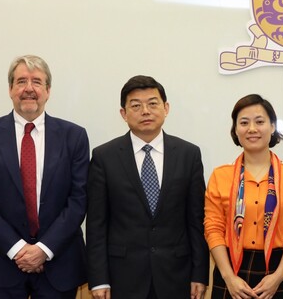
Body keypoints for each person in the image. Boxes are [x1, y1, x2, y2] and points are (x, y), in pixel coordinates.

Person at [0, 55, 89, 298]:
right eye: (21, 81)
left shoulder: (74, 136)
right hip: (0, 260)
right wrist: (18, 249)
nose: (29, 89)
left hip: (59, 261)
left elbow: (79, 199)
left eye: (37, 82)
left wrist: (44, 249)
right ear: (10, 89)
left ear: (48, 90)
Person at [86, 75, 209, 299]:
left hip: (177, 276)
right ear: (123, 113)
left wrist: (199, 274)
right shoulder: (104, 157)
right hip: (122, 277)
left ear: (166, 108)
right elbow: (96, 224)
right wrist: (98, 279)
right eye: (136, 105)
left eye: (153, 103)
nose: (145, 111)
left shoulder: (189, 154)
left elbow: (196, 220)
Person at [204, 94, 283, 299]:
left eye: (259, 122)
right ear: (235, 130)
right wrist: (228, 276)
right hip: (230, 271)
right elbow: (213, 227)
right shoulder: (220, 175)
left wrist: (279, 276)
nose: (252, 129)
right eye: (244, 122)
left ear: (272, 127)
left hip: (275, 272)